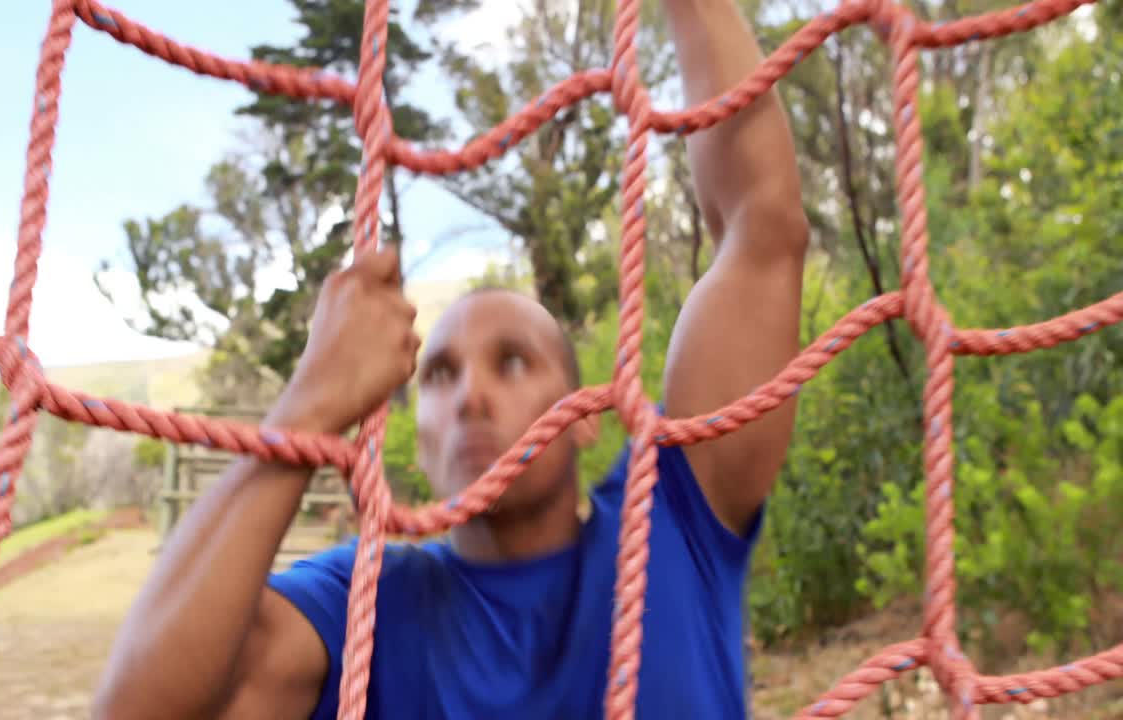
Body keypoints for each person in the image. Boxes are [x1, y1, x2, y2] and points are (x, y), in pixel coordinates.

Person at [92, 0, 808, 716]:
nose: (470, 395)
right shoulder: (361, 607)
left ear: (587, 415)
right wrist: (307, 405)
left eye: (515, 361)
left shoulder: (670, 524)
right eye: (438, 374)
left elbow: (761, 224)